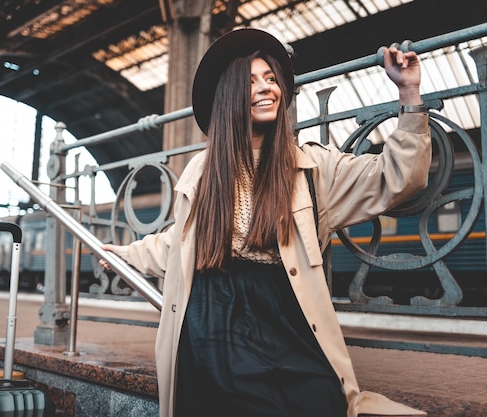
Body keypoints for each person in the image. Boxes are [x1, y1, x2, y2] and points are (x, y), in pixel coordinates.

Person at [100, 28, 431, 417]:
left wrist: (409, 94)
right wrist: (124, 254)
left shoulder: (311, 167)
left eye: (271, 79)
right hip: (213, 321)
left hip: (286, 319)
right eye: (252, 81)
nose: (266, 88)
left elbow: (397, 177)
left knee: (319, 399)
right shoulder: (203, 173)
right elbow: (179, 242)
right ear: (229, 98)